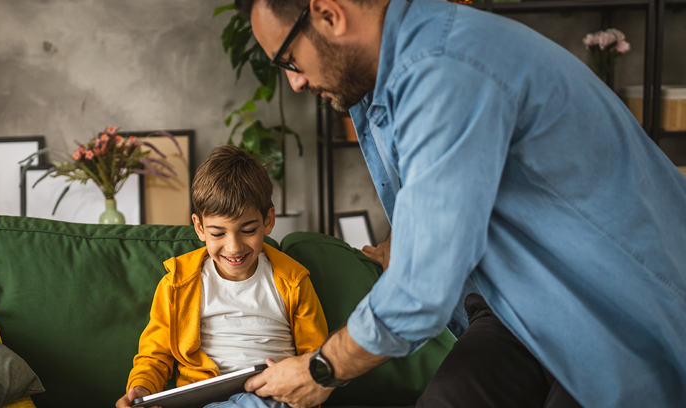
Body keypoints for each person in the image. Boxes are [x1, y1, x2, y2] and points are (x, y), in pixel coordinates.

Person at [238, 0, 686, 407]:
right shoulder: (394, 69)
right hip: (518, 304)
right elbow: (446, 179)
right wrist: (407, 236)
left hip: (614, 312)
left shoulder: (441, 69)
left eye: (290, 60)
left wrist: (322, 369)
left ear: (329, 15)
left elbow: (420, 292)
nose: (294, 82)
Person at [115, 145, 328, 408]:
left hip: (272, 399)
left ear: (268, 220)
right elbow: (154, 356)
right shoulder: (178, 283)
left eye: (248, 230)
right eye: (218, 234)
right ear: (199, 227)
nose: (234, 247)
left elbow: (315, 360)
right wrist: (140, 391)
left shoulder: (293, 281)